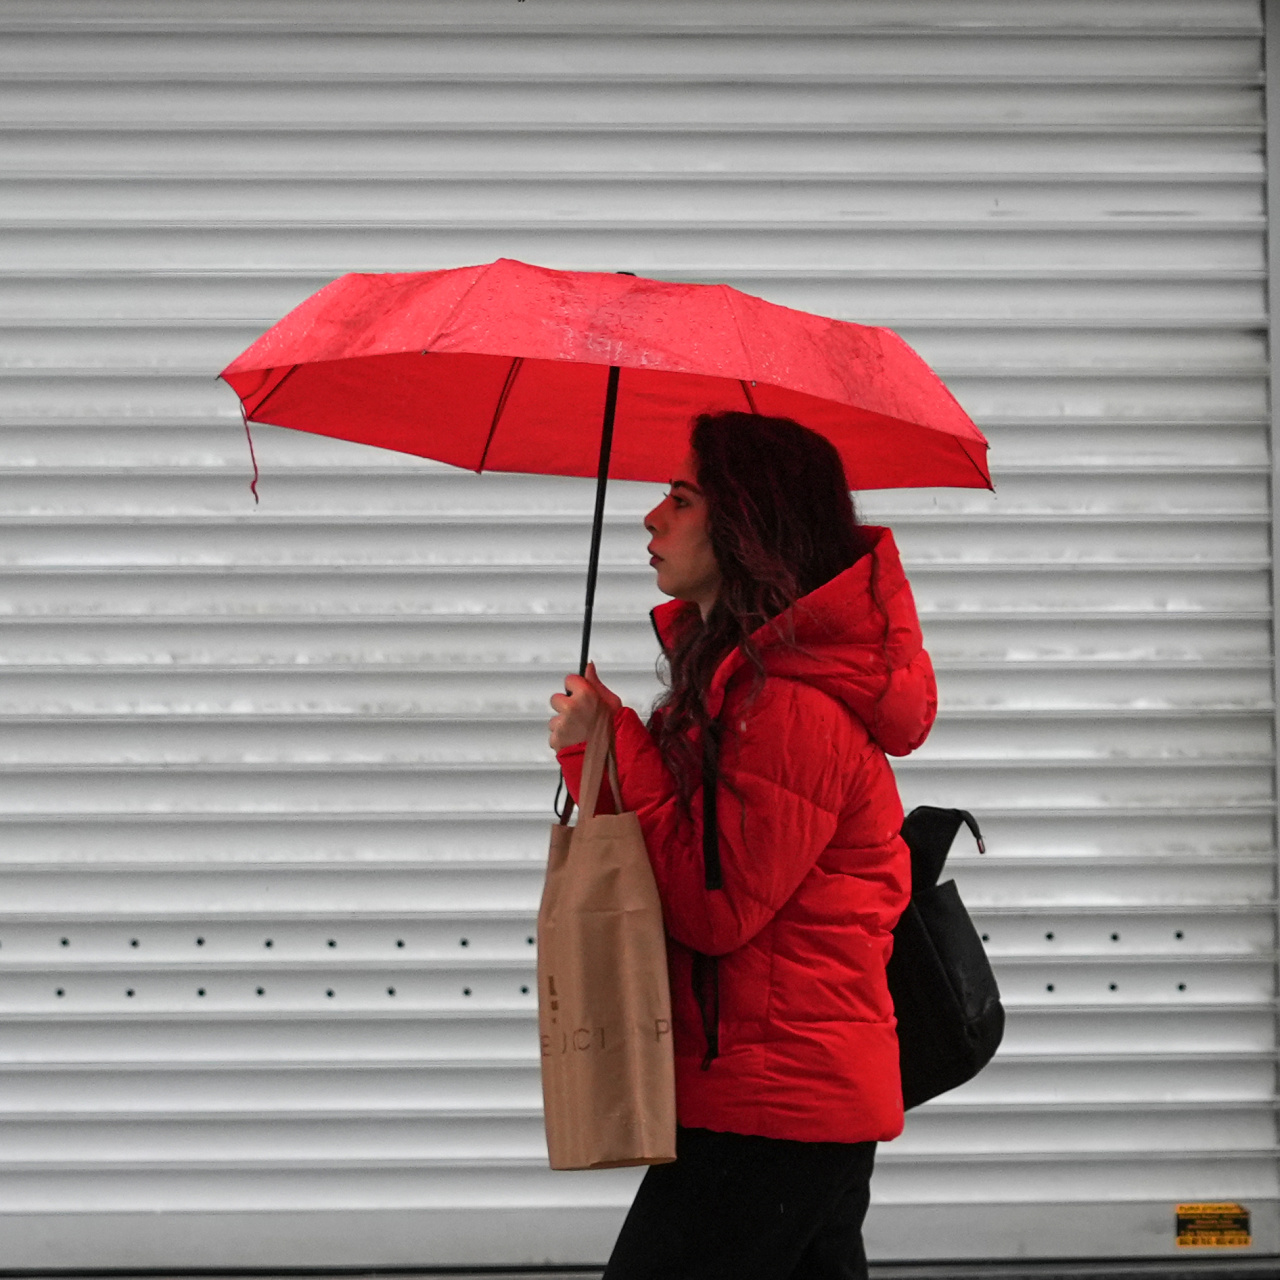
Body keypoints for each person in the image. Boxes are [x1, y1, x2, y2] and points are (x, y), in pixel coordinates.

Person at [547, 411, 937, 1280]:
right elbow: (686, 851)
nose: (652, 517)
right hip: (773, 1100)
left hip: (775, 1108)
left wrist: (605, 743)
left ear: (747, 526)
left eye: (681, 498)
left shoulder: (790, 710)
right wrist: (608, 745)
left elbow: (714, 906)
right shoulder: (740, 686)